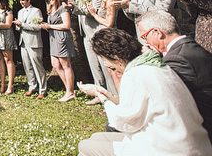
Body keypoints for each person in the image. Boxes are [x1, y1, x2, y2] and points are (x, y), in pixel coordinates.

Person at [78, 28, 212, 156]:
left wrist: (103, 97)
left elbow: (123, 122)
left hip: (169, 149)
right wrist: (103, 94)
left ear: (116, 58)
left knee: (85, 146)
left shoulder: (135, 75)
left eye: (106, 61)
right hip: (190, 142)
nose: (109, 67)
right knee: (97, 137)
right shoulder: (155, 64)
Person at [137, 10, 212, 143]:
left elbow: (158, 100)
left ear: (157, 33)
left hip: (199, 137)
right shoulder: (190, 48)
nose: (145, 42)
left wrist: (149, 59)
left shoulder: (177, 60)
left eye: (144, 37)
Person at [64, 0, 108, 104]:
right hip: (86, 33)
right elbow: (79, 11)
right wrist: (72, 4)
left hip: (97, 31)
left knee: (104, 63)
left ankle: (110, 93)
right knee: (94, 64)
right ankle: (98, 94)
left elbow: (93, 12)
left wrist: (73, 5)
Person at [85, 0, 120, 97]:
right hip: (103, 36)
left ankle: (116, 97)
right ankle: (110, 97)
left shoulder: (111, 1)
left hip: (109, 37)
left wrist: (94, 15)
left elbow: (109, 23)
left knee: (111, 69)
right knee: (106, 69)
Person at [40, 0, 75, 102]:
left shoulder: (62, 9)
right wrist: (46, 26)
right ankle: (68, 89)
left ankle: (70, 92)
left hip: (62, 38)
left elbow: (66, 25)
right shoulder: (52, 9)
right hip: (54, 38)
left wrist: (50, 26)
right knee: (55, 65)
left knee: (66, 65)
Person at [13, 0, 47, 99]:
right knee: (27, 66)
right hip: (23, 42)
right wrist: (18, 26)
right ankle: (32, 87)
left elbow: (38, 27)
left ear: (29, 0)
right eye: (20, 0)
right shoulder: (20, 12)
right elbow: (19, 28)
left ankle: (42, 90)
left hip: (34, 42)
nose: (21, 2)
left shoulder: (36, 11)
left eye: (23, 0)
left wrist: (22, 24)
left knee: (37, 66)